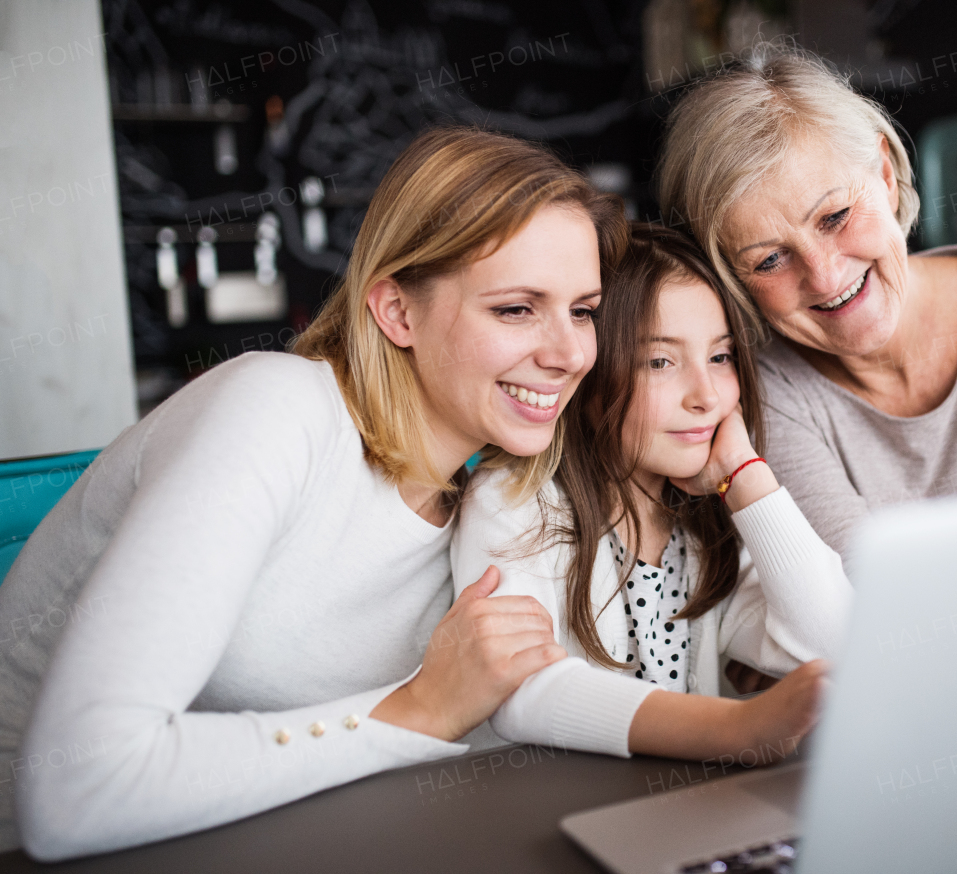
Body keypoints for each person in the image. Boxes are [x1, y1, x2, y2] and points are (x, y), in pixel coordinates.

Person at [0, 126, 627, 860]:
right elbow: (74, 792)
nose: (569, 353)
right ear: (396, 312)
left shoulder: (488, 495)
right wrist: (419, 709)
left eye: (583, 310)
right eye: (517, 309)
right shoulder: (271, 410)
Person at [656, 42, 957, 575]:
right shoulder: (769, 387)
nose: (825, 274)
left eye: (835, 216)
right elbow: (870, 611)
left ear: (885, 175)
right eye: (769, 259)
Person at [451, 224, 851, 761]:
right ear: (592, 371)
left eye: (721, 356)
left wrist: (747, 474)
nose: (706, 396)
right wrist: (738, 727)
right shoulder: (515, 501)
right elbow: (521, 690)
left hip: (677, 821)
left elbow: (833, 642)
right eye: (661, 362)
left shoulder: (704, 532)